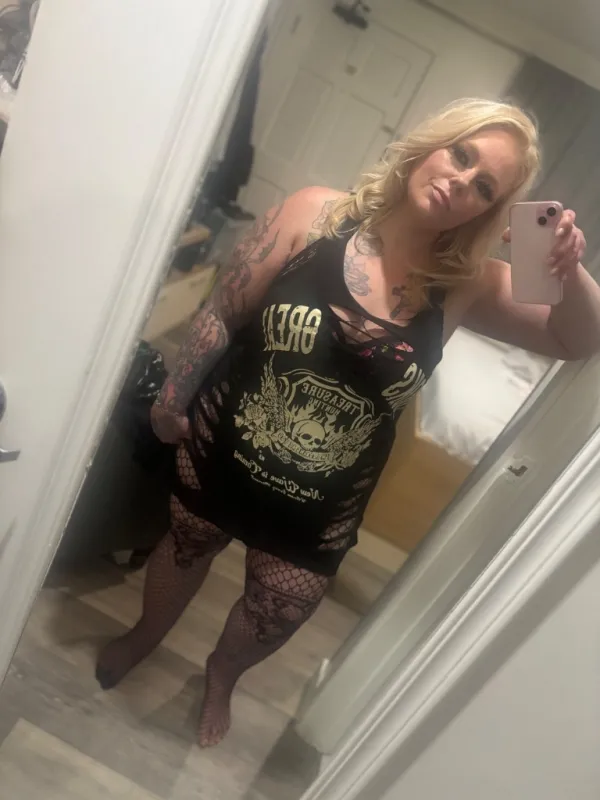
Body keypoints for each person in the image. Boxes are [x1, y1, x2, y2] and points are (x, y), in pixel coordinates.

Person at [96, 98, 600, 747]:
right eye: (461, 154)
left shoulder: (468, 283)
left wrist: (564, 269)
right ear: (431, 144)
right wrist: (173, 396)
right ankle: (143, 635)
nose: (461, 181)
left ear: (488, 210)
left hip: (321, 510)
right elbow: (224, 310)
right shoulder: (315, 213)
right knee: (184, 547)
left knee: (277, 613)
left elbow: (577, 339)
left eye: (484, 187)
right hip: (222, 450)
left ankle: (221, 674)